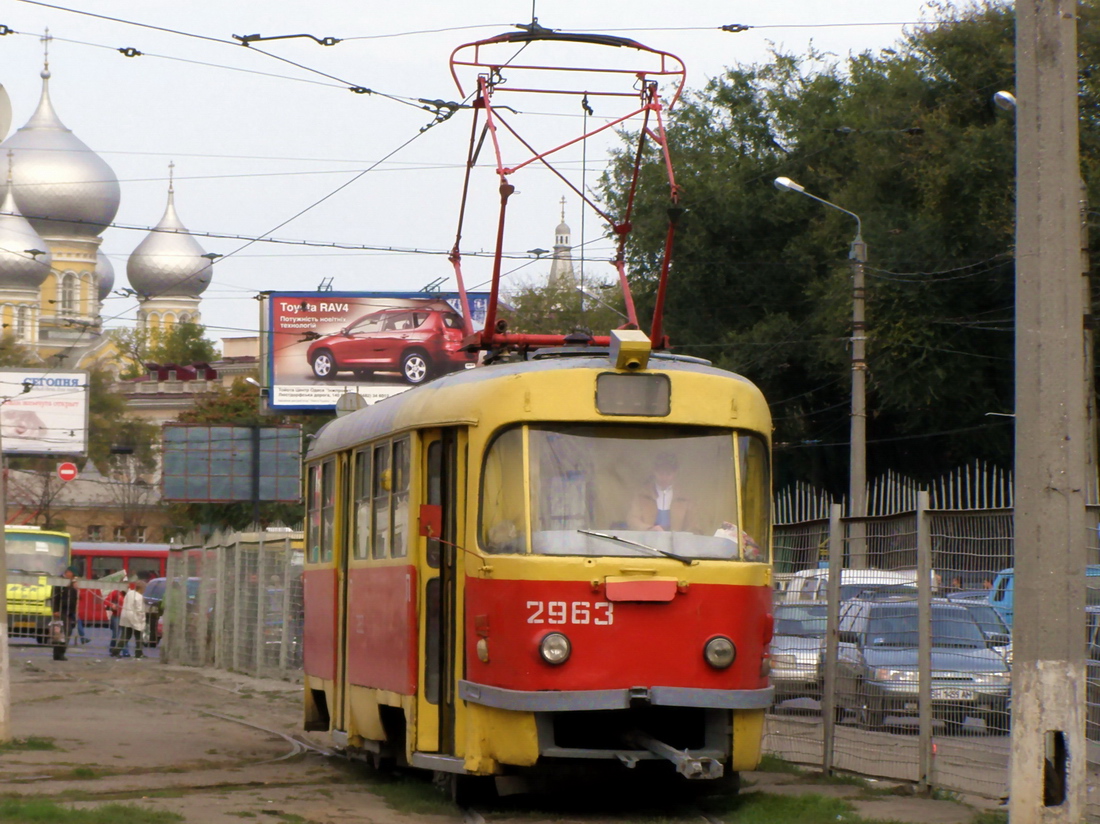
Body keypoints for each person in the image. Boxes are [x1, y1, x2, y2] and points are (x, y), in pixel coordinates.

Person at [626, 452, 692, 532]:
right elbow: (632, 521)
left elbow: (693, 527)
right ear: (654, 472)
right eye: (660, 473)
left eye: (668, 474)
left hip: (675, 540)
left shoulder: (685, 499)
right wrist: (649, 528)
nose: (664, 478)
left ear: (675, 473)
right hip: (647, 539)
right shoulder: (641, 495)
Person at [50, 568, 79, 661]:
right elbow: (54, 596)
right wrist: (55, 610)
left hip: (69, 611)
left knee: (64, 633)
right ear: (68, 573)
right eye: (73, 574)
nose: (73, 576)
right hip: (61, 611)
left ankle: (59, 653)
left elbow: (75, 597)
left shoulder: (72, 583)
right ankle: (59, 653)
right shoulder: (60, 582)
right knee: (63, 632)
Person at [118, 579, 147, 660]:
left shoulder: (130, 593)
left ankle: (115, 651)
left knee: (125, 636)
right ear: (141, 588)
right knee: (138, 636)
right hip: (134, 618)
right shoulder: (139, 597)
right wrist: (142, 619)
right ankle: (138, 653)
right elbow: (139, 610)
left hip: (125, 616)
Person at [104, 582, 127, 657]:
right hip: (117, 615)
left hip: (125, 616)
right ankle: (113, 649)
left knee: (125, 634)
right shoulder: (116, 592)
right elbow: (106, 601)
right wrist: (112, 605)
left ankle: (124, 651)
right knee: (116, 634)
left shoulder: (129, 593)